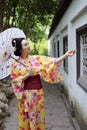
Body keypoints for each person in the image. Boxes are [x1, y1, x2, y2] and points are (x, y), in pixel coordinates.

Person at [10, 38, 76, 130]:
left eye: (28, 44)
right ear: (20, 49)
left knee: (38, 117)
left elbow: (51, 61)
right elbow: (14, 81)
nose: (29, 46)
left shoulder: (35, 59)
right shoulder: (14, 65)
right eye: (25, 45)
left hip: (37, 94)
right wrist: (27, 75)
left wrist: (66, 55)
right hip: (25, 96)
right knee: (27, 119)